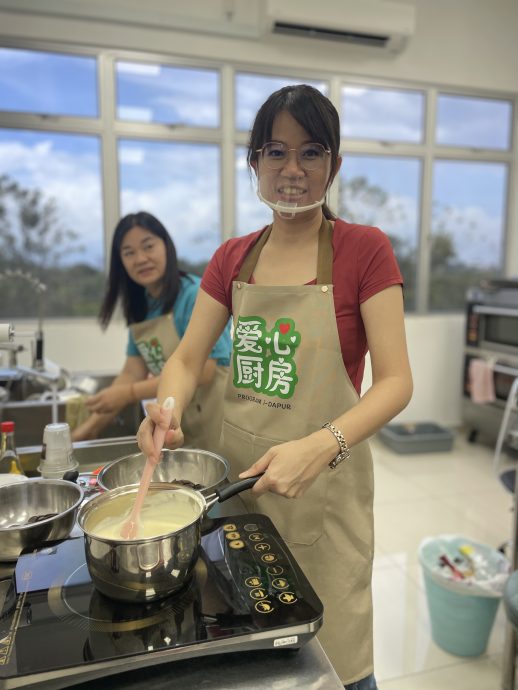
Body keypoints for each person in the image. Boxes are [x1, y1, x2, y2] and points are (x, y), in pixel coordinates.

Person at [136, 86, 413, 689]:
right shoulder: (232, 258)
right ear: (254, 163)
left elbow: (396, 383)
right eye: (276, 151)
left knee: (333, 659)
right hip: (240, 492)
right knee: (247, 661)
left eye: (311, 153)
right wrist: (168, 407)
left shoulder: (364, 252)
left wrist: (321, 444)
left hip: (324, 492)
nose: (292, 170)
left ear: (333, 166)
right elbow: (185, 358)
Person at [71, 211, 231, 451]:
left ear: (166, 246)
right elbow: (132, 371)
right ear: (120, 262)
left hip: (216, 422)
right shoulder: (142, 305)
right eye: (129, 253)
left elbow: (207, 369)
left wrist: (128, 393)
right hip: (175, 425)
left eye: (148, 246)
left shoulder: (194, 294)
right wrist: (88, 430)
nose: (141, 258)